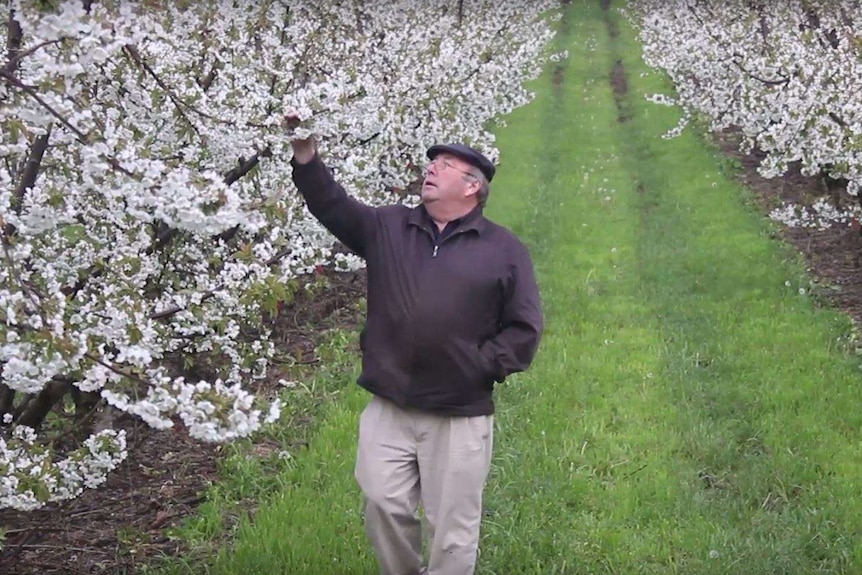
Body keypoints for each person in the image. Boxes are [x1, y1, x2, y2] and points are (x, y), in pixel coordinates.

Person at [284, 112, 543, 575]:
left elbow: (525, 327)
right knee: (383, 504)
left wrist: (481, 365)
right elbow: (332, 205)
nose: (430, 169)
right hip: (392, 404)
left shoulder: (503, 250)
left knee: (452, 530)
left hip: (458, 414)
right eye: (432, 163)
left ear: (472, 187)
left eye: (443, 165)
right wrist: (307, 156)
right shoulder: (388, 228)